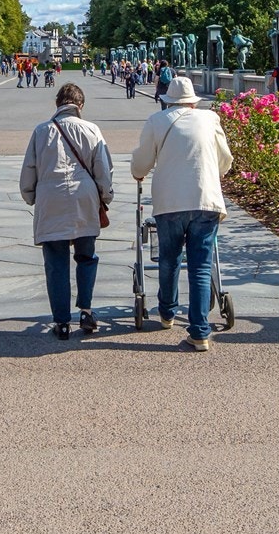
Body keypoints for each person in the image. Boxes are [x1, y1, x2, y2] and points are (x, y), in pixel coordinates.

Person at [131, 76, 234, 351]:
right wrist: (215, 172)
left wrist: (138, 173)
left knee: (169, 258)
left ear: (168, 100)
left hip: (170, 202)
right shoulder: (210, 119)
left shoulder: (156, 121)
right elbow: (225, 159)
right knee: (201, 266)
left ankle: (166, 312)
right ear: (192, 100)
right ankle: (200, 331)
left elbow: (142, 162)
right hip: (205, 199)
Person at [19, 82, 114, 340]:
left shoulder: (41, 131)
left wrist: (30, 196)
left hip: (51, 199)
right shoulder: (92, 129)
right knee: (86, 256)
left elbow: (29, 169)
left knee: (56, 262)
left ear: (58, 104)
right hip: (83, 199)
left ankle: (61, 322)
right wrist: (105, 196)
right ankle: (86, 310)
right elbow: (103, 170)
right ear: (80, 105)